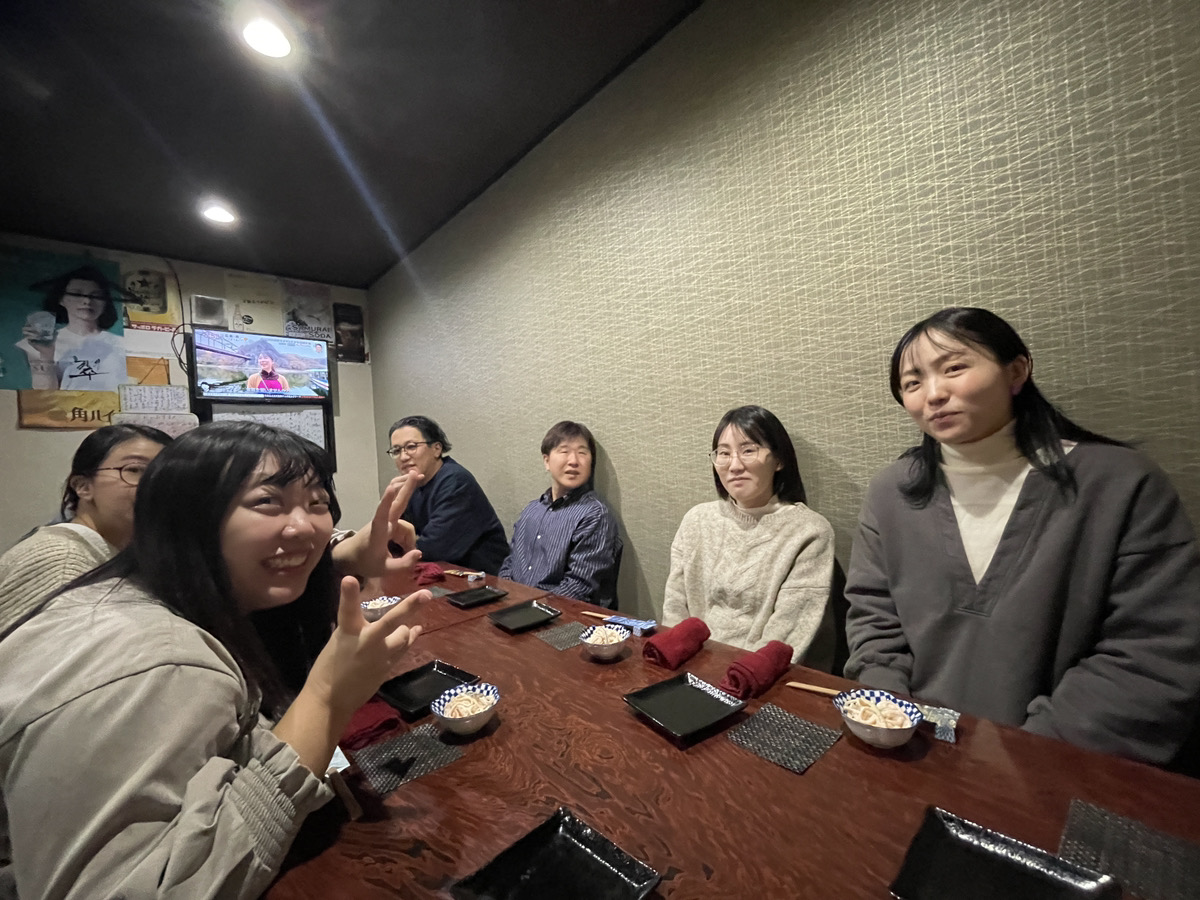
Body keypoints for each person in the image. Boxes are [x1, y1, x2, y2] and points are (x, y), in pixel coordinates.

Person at [0, 422, 426, 898]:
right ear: (187, 514)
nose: (304, 526)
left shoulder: (147, 589)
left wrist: (342, 556)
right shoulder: (155, 660)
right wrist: (327, 698)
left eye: (317, 503)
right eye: (268, 501)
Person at [843, 307, 1200, 766]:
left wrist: (1031, 755)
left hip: (1058, 766)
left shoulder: (1120, 483)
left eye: (954, 368)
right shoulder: (891, 491)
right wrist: (889, 714)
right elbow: (873, 617)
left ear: (1016, 371)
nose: (933, 394)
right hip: (912, 751)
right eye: (912, 383)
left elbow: (1153, 653)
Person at [662, 406, 836, 669]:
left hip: (757, 678)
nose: (734, 465)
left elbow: (787, 637)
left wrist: (734, 679)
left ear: (779, 460)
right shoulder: (696, 520)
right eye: (723, 453)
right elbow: (675, 610)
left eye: (748, 450)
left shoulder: (809, 532)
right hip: (685, 669)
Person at [0, 423, 172, 635]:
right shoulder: (65, 561)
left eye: (163, 474)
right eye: (134, 470)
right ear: (83, 486)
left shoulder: (121, 555)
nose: (152, 484)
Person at [499, 421, 621, 607]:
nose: (574, 461)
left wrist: (526, 607)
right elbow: (509, 563)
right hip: (515, 608)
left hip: (560, 615)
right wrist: (507, 598)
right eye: (564, 451)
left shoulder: (595, 514)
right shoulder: (532, 510)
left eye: (582, 453)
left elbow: (578, 587)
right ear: (546, 461)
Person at [388, 415, 510, 574]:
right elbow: (391, 541)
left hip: (480, 578)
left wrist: (403, 542)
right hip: (437, 572)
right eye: (397, 451)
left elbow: (432, 549)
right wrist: (390, 505)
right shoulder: (412, 484)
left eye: (411, 447)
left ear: (436, 449)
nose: (403, 457)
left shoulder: (456, 481)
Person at [16, 264, 127, 391]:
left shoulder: (121, 344)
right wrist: (46, 356)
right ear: (61, 299)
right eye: (77, 294)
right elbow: (44, 392)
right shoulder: (41, 342)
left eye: (96, 295)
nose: (87, 301)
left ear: (105, 301)